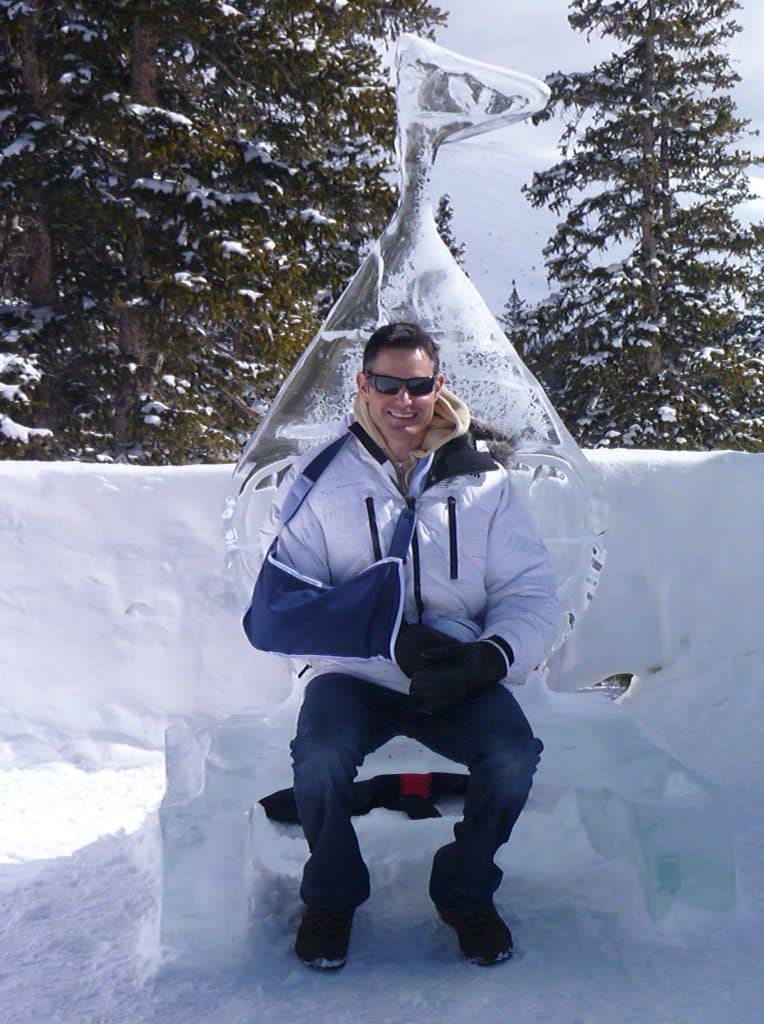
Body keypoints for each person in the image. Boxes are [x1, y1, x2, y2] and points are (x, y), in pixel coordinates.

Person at [249, 322, 561, 969]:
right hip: (353, 674)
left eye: (418, 385)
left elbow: (529, 592)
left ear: (438, 386)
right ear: (363, 384)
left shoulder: (486, 482)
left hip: (458, 671)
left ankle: (465, 890)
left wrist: (489, 657)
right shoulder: (319, 477)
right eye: (387, 383)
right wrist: (384, 636)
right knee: (319, 757)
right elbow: (292, 601)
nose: (403, 400)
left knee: (511, 757)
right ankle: (332, 895)